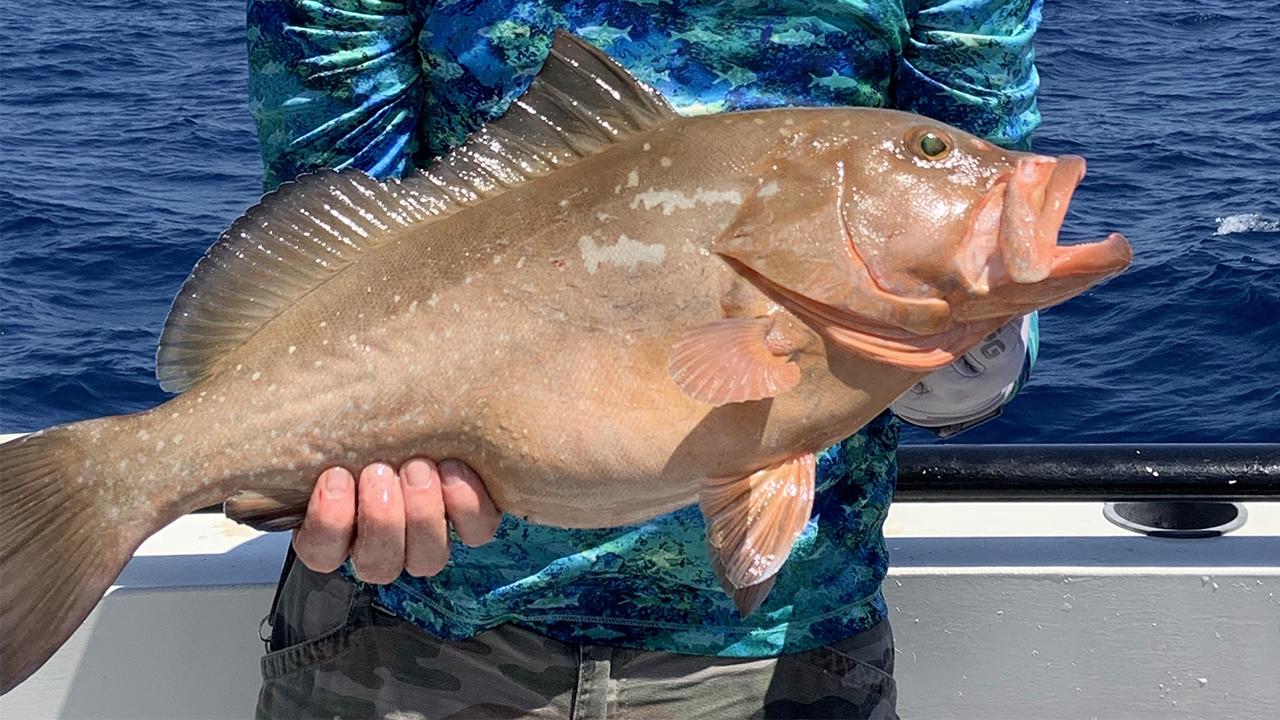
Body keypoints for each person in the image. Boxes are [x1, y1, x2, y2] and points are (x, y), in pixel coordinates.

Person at [246, 1, 1043, 717]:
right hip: (403, 631)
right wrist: (342, 473)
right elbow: (335, 239)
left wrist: (971, 341)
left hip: (788, 650)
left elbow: (979, 230)